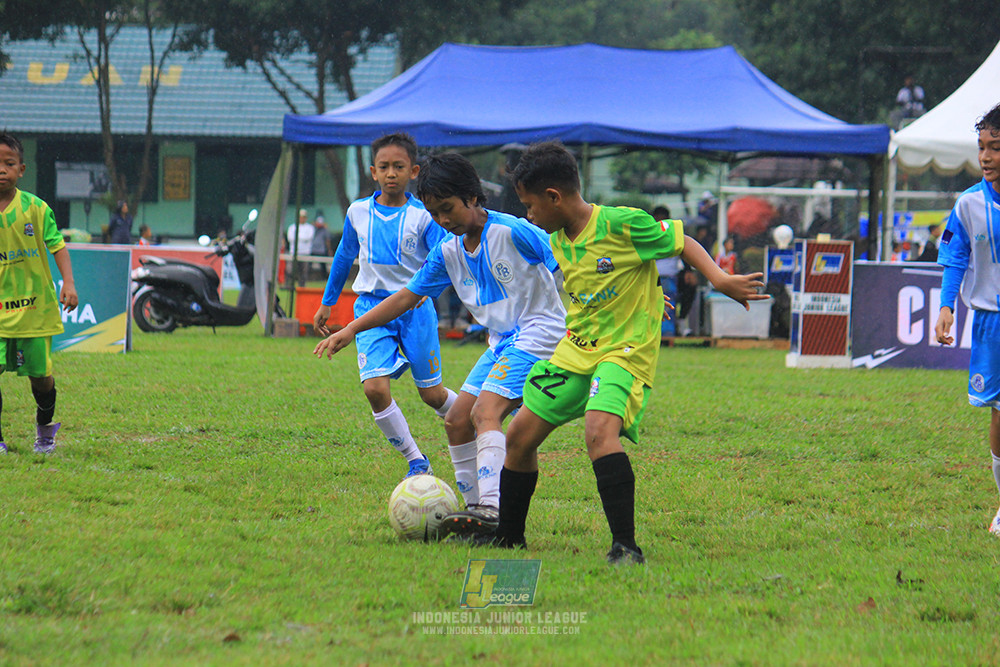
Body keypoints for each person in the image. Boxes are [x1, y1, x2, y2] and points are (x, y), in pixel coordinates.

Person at [491, 141, 768, 564]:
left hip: (624, 349)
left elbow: (681, 242)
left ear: (554, 197)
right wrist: (651, 291)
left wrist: (719, 278)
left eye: (530, 205)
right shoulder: (559, 238)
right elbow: (612, 280)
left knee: (599, 431)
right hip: (576, 348)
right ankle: (509, 539)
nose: (529, 214)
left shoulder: (622, 224)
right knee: (518, 436)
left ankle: (626, 546)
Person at [315, 152, 566, 536]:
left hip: (542, 334)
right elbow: (404, 296)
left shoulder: (513, 232)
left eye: (447, 209)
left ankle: (491, 508)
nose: (443, 220)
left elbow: (571, 262)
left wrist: (623, 297)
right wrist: (350, 328)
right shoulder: (447, 251)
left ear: (472, 197)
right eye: (434, 214)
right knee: (455, 420)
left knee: (485, 413)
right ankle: (473, 515)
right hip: (502, 342)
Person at [312, 132, 456, 478]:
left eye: (399, 166)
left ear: (414, 171)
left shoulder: (425, 216)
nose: (391, 173)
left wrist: (429, 290)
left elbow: (446, 257)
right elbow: (345, 256)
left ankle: (482, 416)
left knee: (433, 396)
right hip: (371, 311)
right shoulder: (357, 212)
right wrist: (327, 302)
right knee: (375, 389)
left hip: (415, 311)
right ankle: (416, 461)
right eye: (384, 167)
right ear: (373, 172)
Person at [934, 101, 1000, 535]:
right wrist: (945, 306)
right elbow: (955, 255)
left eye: (994, 146)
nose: (985, 156)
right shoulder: (968, 204)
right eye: (981, 147)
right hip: (991, 322)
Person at [0, 132, 79, 454]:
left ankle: (45, 432)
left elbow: (57, 245)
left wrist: (69, 284)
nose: (1, 169)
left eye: (8, 163)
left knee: (41, 378)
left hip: (35, 308)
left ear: (21, 169)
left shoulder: (36, 208)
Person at [286, 209, 315, 287]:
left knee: (303, 271)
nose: (302, 219)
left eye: (304, 217)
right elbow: (290, 238)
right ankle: (289, 285)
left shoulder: (310, 228)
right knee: (290, 270)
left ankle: (302, 286)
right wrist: (301, 238)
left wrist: (298, 238)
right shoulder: (292, 227)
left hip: (305, 253)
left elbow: (308, 237)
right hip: (293, 253)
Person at [309, 214, 333, 280]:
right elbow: (310, 225)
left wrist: (329, 249)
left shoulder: (325, 230)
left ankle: (324, 278)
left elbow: (328, 240)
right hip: (313, 249)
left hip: (321, 250)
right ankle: (309, 278)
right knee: (309, 265)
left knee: (323, 266)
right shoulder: (313, 228)